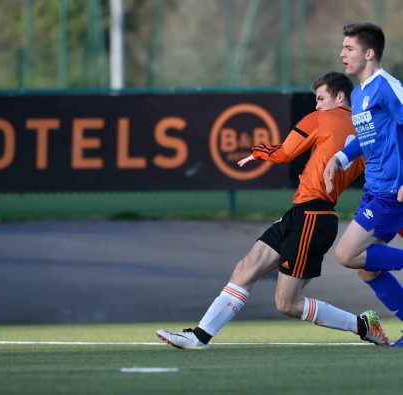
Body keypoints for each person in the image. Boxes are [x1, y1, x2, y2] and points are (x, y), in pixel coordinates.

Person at [156, 71, 390, 349]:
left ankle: (362, 325)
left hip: (312, 217)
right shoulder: (368, 133)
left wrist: (257, 151)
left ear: (340, 97)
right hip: (306, 213)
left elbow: (285, 153)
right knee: (246, 267)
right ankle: (199, 337)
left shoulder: (323, 118)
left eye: (321, 98)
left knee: (287, 303)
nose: (316, 105)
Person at [323, 22, 403, 347]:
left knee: (346, 254)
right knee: (366, 269)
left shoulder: (386, 86)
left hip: (390, 191)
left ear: (369, 53)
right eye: (343, 48)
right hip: (374, 190)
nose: (343, 54)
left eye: (349, 48)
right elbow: (365, 135)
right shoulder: (358, 94)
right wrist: (340, 158)